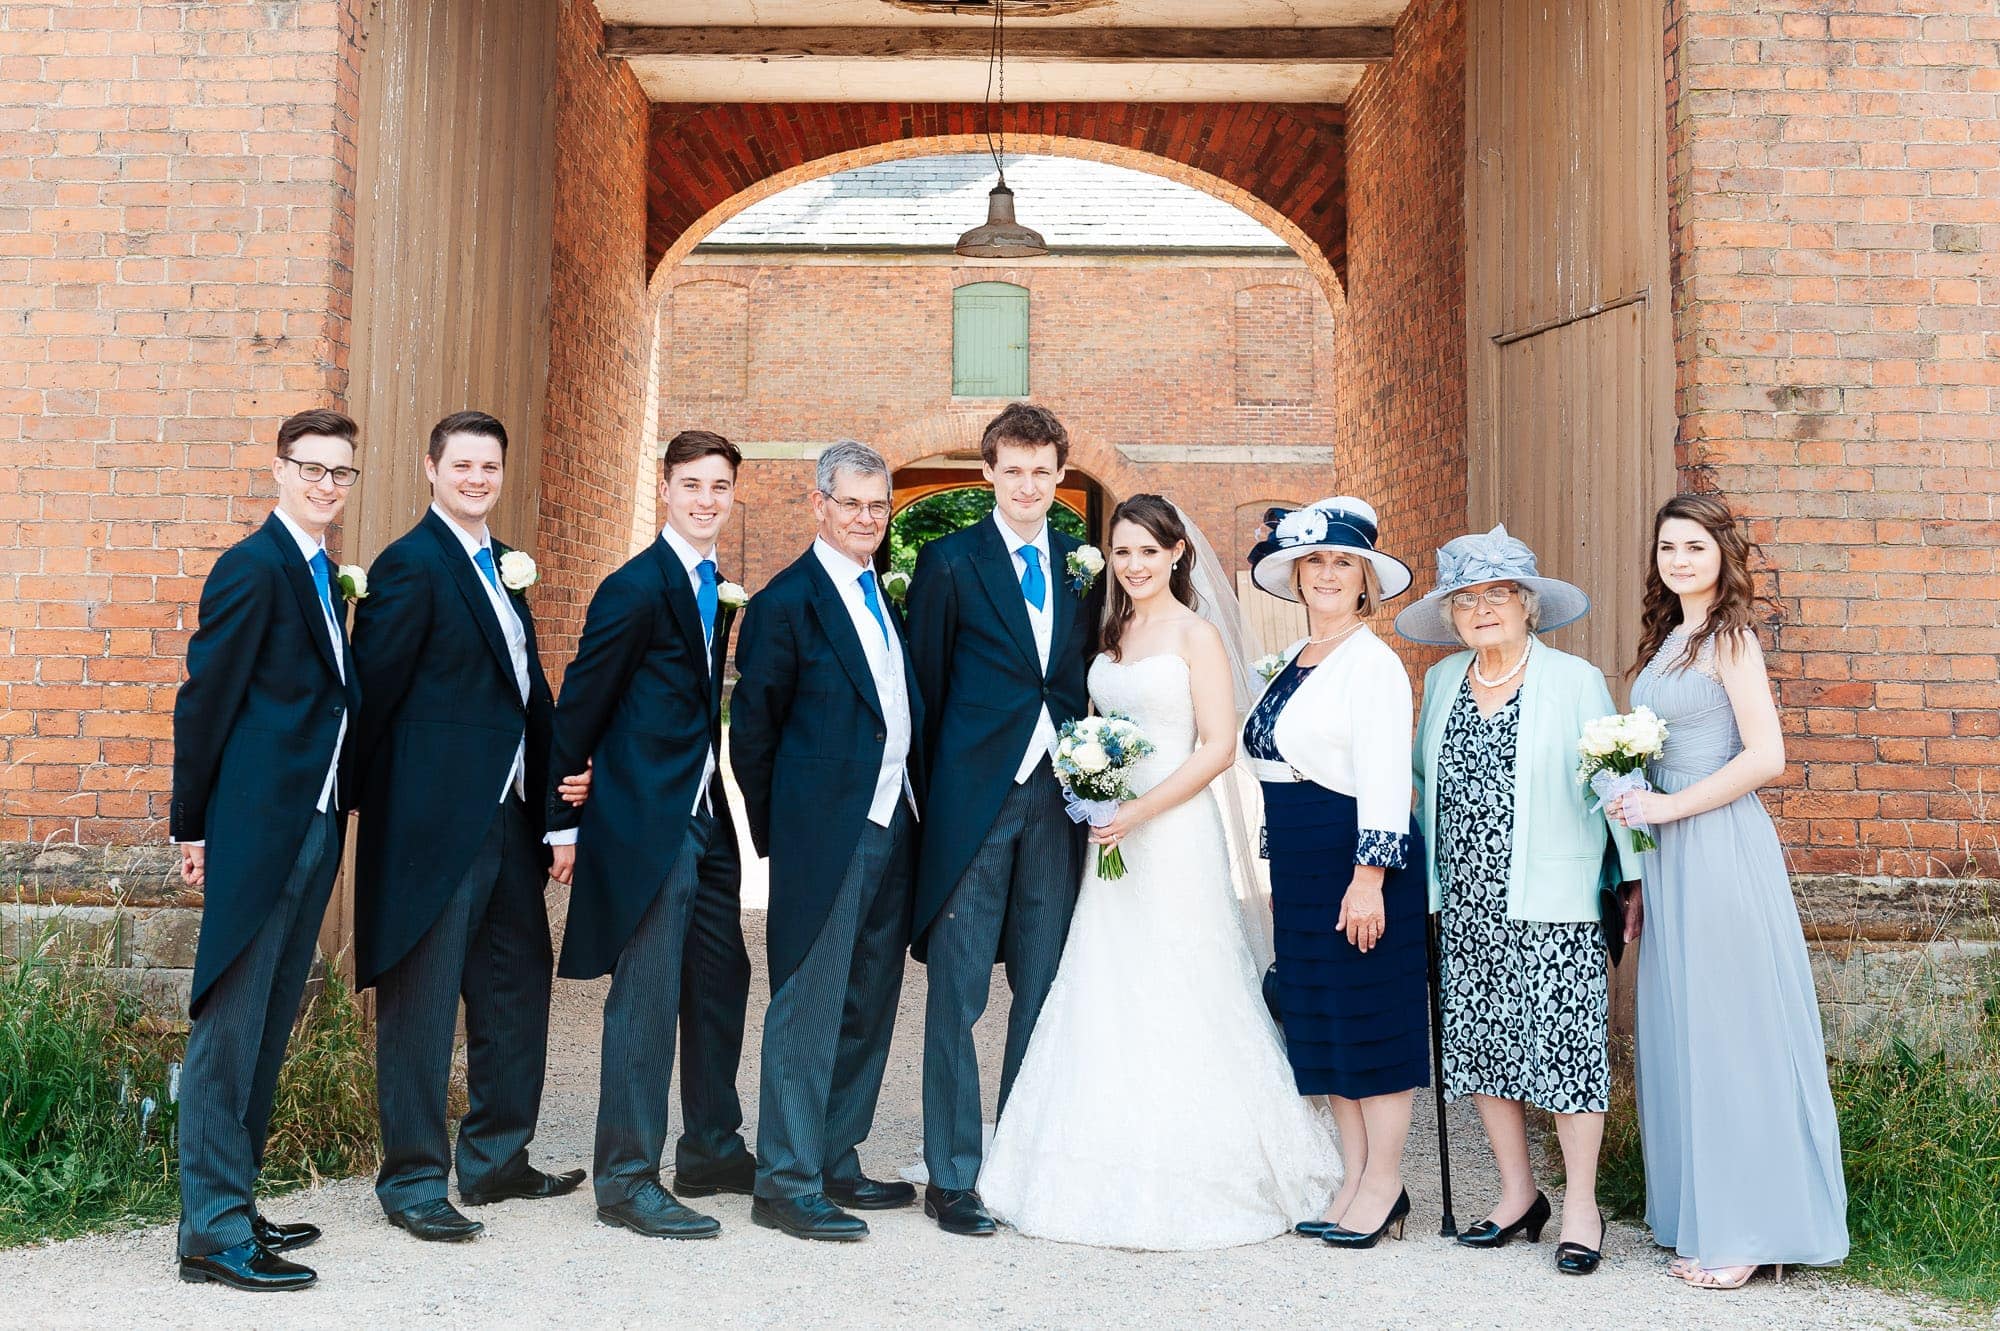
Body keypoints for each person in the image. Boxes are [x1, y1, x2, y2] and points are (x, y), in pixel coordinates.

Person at [978, 495, 1341, 1249]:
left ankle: (1210, 1164)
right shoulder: (1111, 631)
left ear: (1178, 553)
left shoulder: (1196, 633)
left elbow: (1214, 746)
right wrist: (1093, 796)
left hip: (1171, 837)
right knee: (1107, 979)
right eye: (1123, 553)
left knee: (1182, 978)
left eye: (1149, 551)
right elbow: (1086, 730)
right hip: (1109, 833)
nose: (1135, 565)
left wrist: (1137, 813)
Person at [347, 411, 587, 1244]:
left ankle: (495, 1157)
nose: (477, 478)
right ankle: (413, 1178)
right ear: (431, 467)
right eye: (463, 465)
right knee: (419, 1006)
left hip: (510, 824)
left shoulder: (504, 566)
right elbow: (369, 700)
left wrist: (559, 816)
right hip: (430, 831)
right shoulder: (409, 567)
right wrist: (383, 815)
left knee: (517, 986)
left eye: (490, 464)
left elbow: (534, 698)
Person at [1612, 493, 1848, 1289]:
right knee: (1685, 1028)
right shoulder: (1668, 637)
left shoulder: (1731, 638)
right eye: (1668, 547)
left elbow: (1767, 755)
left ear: (1722, 556)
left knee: (1732, 1030)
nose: (1679, 560)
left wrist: (1671, 806)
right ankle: (1705, 1210)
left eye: (1695, 547)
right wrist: (1640, 859)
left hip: (1717, 844)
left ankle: (1753, 1224)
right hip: (1670, 856)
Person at [1395, 525, 1640, 1277]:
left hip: (1555, 897)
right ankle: (1517, 1193)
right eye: (1465, 599)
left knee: (1566, 1051)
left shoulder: (1574, 679)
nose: (1481, 609)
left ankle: (1580, 1206)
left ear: (1528, 605)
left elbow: (1616, 780)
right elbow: (1421, 786)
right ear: (1452, 617)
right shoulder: (1440, 683)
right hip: (1464, 901)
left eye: (1497, 593)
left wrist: (1629, 878)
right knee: (1481, 1045)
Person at [170, 409, 365, 1291]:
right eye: (312, 468)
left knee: (268, 1029)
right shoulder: (252, 568)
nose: (326, 485)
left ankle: (235, 1200)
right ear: (280, 469)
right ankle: (208, 1231)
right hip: (255, 830)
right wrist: (193, 825)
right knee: (228, 1029)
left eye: (340, 473)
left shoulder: (324, 575)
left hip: (315, 826)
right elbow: (203, 703)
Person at [544, 429, 756, 1240]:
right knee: (648, 993)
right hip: (645, 823)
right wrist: (565, 822)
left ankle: (708, 1144)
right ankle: (627, 1177)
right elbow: (581, 704)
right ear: (665, 490)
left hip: (705, 814)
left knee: (721, 974)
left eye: (719, 487)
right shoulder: (635, 587)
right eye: (692, 485)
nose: (707, 500)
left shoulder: (714, 584)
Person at [905, 402, 1102, 1237]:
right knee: (955, 992)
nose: (1027, 485)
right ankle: (951, 1174)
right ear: (987, 473)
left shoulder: (1085, 567)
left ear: (1060, 476)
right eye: (1011, 470)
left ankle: (1017, 1158)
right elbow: (925, 691)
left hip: (1058, 803)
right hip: (971, 804)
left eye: (1042, 471)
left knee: (1043, 983)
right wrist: (943, 797)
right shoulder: (947, 561)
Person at [728, 441, 925, 1242]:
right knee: (806, 1006)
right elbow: (752, 736)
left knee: (870, 999)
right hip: (825, 836)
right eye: (852, 503)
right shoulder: (785, 604)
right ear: (818, 504)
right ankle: (784, 1179)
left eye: (877, 505)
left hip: (894, 822)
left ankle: (836, 1154)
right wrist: (789, 835)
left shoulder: (884, 594)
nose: (867, 518)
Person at [1242, 496, 1427, 1250]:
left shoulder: (1371, 661)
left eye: (1341, 561)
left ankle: (1384, 1182)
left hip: (1356, 859)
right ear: (1294, 575)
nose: (1325, 573)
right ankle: (1354, 1177)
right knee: (1327, 1024)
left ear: (1364, 581)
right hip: (1304, 855)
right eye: (1313, 560)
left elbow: (1386, 776)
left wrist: (1370, 877)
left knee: (1372, 1024)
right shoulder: (1297, 658)